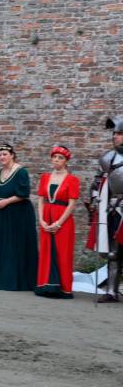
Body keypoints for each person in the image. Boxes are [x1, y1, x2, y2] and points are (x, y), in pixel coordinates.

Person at [0, 144, 38, 291]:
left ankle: (16, 281)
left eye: (5, 154)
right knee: (3, 245)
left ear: (12, 155)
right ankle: (1, 279)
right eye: (0, 155)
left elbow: (23, 193)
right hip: (2, 213)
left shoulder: (20, 171)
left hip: (18, 213)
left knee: (15, 246)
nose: (2, 157)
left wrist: (6, 201)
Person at [35, 146, 79, 299]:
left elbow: (71, 204)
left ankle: (63, 288)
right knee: (47, 251)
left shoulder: (72, 180)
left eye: (60, 158)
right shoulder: (45, 178)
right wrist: (41, 219)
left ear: (66, 161)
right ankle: (45, 285)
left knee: (63, 252)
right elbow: (40, 200)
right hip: (47, 217)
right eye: (54, 157)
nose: (56, 160)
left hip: (63, 220)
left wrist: (59, 223)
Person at [89, 117, 123, 303]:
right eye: (114, 134)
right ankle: (111, 291)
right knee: (114, 253)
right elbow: (97, 182)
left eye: (119, 133)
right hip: (113, 210)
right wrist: (95, 198)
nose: (115, 137)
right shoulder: (108, 158)